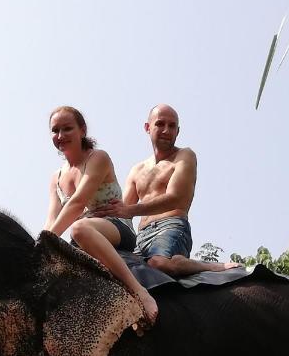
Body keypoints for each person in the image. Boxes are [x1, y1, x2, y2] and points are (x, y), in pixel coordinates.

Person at [93, 104, 240, 277]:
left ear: (178, 131)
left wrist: (129, 210)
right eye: (160, 124)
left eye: (172, 126)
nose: (166, 130)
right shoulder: (137, 170)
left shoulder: (184, 156)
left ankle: (209, 266)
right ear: (147, 127)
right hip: (141, 237)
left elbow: (176, 198)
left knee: (159, 264)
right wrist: (96, 214)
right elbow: (122, 212)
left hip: (170, 226)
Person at [44, 106, 158, 327]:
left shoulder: (98, 158)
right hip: (83, 238)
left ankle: (139, 291)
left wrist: (46, 242)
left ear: (82, 130)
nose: (60, 136)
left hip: (114, 227)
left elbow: (77, 204)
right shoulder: (55, 177)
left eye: (67, 129)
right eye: (55, 130)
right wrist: (38, 247)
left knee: (79, 228)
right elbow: (51, 219)